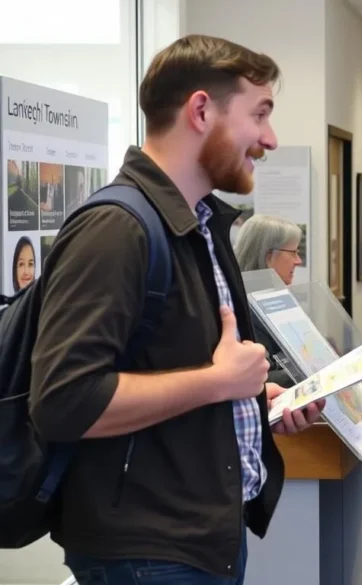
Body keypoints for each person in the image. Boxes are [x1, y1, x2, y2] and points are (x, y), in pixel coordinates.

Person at [28, 34, 324, 585]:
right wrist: (218, 383)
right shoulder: (116, 228)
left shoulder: (200, 224)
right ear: (201, 109)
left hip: (198, 538)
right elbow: (65, 400)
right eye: (259, 114)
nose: (270, 138)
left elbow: (166, 365)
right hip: (148, 551)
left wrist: (254, 399)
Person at [234, 214, 306, 387]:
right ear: (268, 257)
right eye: (293, 253)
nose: (299, 261)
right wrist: (315, 373)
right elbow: (262, 377)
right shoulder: (244, 307)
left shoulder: (275, 298)